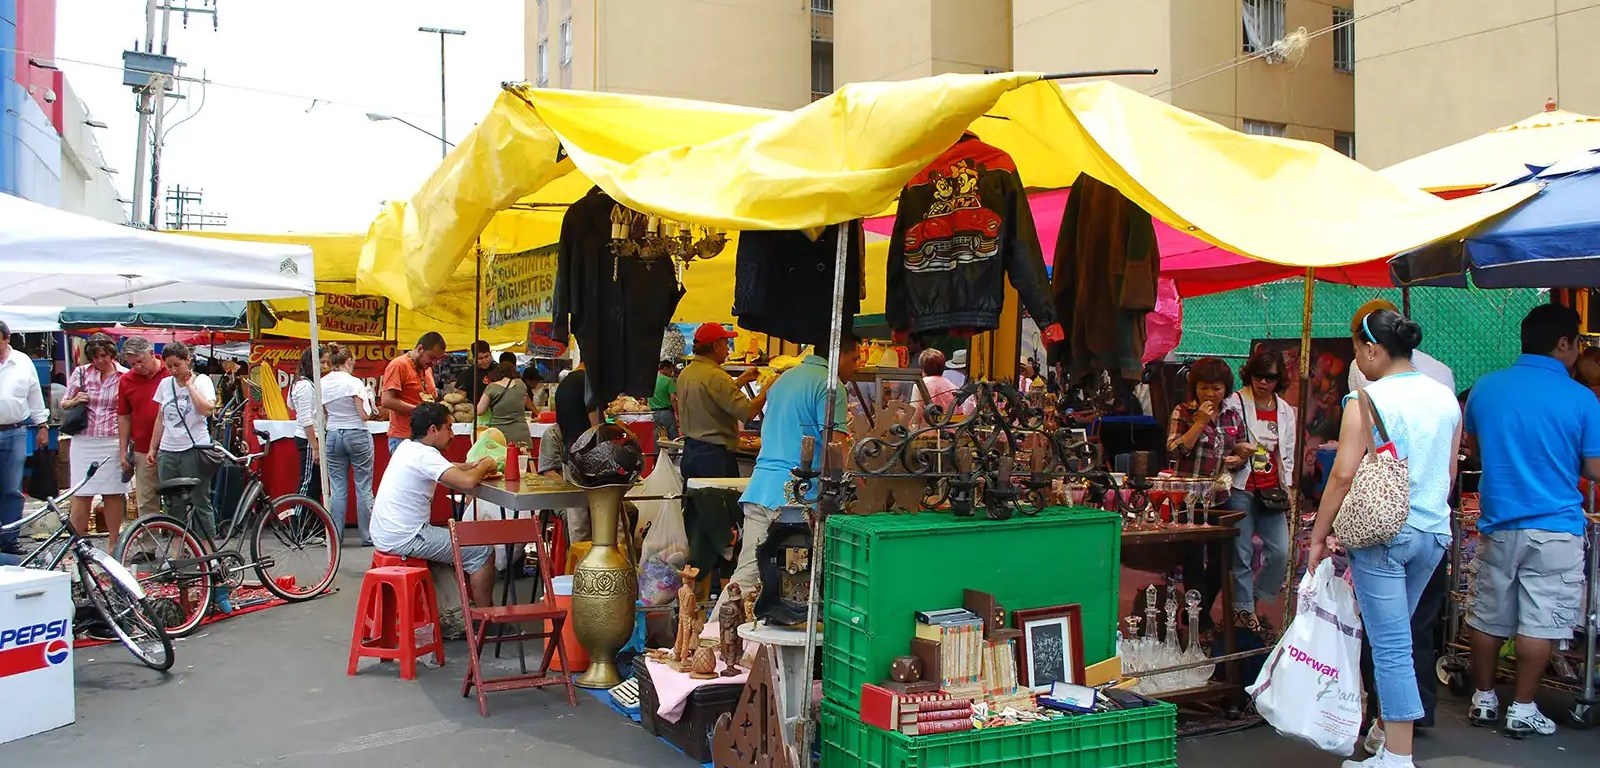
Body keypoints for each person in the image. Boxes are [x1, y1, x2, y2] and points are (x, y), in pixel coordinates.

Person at [1307, 307, 1458, 768]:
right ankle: (1387, 738)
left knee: (1391, 648)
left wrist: (1318, 536)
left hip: (1383, 533)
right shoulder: (1445, 398)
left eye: (1357, 349)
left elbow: (1342, 475)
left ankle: (1397, 756)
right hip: (1433, 533)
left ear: (1372, 349)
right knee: (1399, 640)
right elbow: (1449, 473)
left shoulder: (1365, 400)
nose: (1357, 359)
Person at [1462, 303, 1600, 739]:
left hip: (1498, 522)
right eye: (1578, 343)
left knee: (1487, 616)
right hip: (1556, 528)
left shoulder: (1485, 388)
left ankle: (1484, 699)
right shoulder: (1582, 399)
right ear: (1563, 343)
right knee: (1540, 623)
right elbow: (1594, 468)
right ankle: (1522, 708)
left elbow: (1475, 447)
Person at [721, 333, 861, 614]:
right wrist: (854, 482)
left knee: (746, 577)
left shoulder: (784, 379)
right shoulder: (831, 385)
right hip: (795, 498)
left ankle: (713, 635)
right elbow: (835, 448)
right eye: (855, 358)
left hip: (761, 488)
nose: (857, 366)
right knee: (797, 588)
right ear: (839, 355)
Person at [370, 402, 498, 607]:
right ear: (433, 430)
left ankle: (458, 611)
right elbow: (467, 482)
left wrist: (470, 466)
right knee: (482, 551)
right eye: (449, 428)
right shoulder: (425, 454)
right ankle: (486, 618)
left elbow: (446, 468)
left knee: (458, 540)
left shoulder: (408, 447)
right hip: (406, 537)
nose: (452, 435)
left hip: (387, 533)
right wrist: (485, 464)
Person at [1165, 357, 1245, 635]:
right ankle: (1198, 618)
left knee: (1223, 558)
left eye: (1216, 388)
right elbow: (1175, 450)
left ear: (1226, 389)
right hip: (1187, 497)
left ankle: (1197, 609)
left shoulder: (1232, 415)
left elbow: (1240, 447)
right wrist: (1199, 423)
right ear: (1194, 388)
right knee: (1193, 559)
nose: (1210, 394)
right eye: (1203, 388)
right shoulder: (1182, 411)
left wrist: (1240, 457)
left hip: (1220, 495)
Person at [1223, 349, 1295, 641]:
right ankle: (1245, 613)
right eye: (1258, 376)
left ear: (1279, 379)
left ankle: (1253, 597)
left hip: (1271, 489)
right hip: (1240, 486)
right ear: (1249, 374)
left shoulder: (1285, 410)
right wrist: (1238, 452)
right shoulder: (1235, 402)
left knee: (1281, 551)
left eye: (1270, 377)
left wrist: (1289, 486)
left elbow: (1286, 454)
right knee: (1240, 554)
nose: (1263, 382)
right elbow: (1224, 439)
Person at [61, 334, 129, 552]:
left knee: (113, 492)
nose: (100, 360)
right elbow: (64, 403)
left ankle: (113, 543)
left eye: (104, 356)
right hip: (84, 439)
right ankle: (76, 543)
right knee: (82, 492)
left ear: (112, 354)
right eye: (96, 357)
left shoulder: (124, 376)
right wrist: (75, 400)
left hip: (112, 438)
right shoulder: (81, 373)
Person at [677, 323, 768, 483]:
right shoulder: (716, 376)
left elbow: (713, 397)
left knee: (694, 498)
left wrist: (742, 380)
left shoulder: (686, 373)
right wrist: (770, 387)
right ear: (716, 346)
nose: (728, 350)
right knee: (718, 499)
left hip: (691, 453)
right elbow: (748, 412)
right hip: (714, 458)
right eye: (726, 344)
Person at [147, 342, 219, 537]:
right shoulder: (165, 384)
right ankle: (178, 547)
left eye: (177, 365)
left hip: (194, 447)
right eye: (169, 366)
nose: (173, 370)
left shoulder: (202, 381)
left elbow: (207, 410)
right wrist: (153, 448)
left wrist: (189, 387)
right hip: (168, 449)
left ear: (188, 360)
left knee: (200, 499)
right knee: (172, 503)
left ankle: (207, 547)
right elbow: (160, 418)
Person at [0, 321, 49, 555]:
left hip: (15, 430)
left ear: (6, 338)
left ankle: (9, 539)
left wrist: (42, 425)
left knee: (12, 488)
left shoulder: (22, 361)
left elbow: (34, 395)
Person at [321, 347, 375, 547]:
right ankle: (367, 535)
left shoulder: (322, 383)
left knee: (337, 488)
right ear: (349, 361)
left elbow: (322, 414)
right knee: (363, 486)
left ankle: (335, 535)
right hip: (356, 432)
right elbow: (364, 415)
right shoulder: (354, 383)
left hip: (333, 433)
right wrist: (370, 400)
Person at [116, 337, 169, 520]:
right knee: (146, 500)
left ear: (151, 353)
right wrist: (123, 451)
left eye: (141, 361)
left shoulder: (170, 372)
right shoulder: (126, 380)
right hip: (142, 448)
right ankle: (149, 538)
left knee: (176, 498)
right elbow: (124, 416)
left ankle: (179, 536)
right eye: (132, 364)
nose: (138, 367)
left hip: (173, 446)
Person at [380, 332, 446, 453]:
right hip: (404, 438)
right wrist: (420, 411)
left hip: (426, 438)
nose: (434, 363)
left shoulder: (427, 369)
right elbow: (387, 401)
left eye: (437, 360)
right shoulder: (398, 365)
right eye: (431, 357)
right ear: (420, 349)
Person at [536, 422, 589, 543]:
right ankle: (572, 552)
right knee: (572, 516)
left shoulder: (591, 432)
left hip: (589, 492)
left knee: (628, 510)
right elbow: (550, 474)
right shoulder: (553, 434)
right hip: (559, 493)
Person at [289, 348, 325, 499]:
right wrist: (315, 446)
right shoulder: (305, 386)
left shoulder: (301, 383)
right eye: (322, 362)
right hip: (309, 438)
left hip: (310, 437)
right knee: (308, 482)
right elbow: (306, 420)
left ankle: (309, 512)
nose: (324, 366)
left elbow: (291, 405)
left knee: (314, 483)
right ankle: (298, 512)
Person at [476, 357, 533, 446]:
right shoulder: (521, 385)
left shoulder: (491, 387)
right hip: (521, 432)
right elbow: (524, 401)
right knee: (522, 455)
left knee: (500, 455)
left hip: (498, 434)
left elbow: (479, 411)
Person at [908, 349, 960, 424]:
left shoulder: (921, 384)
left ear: (923, 368)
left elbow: (915, 415)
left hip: (927, 430)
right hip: (949, 429)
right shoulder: (952, 385)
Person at [553, 364, 596, 455]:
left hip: (568, 452)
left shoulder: (563, 383)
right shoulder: (588, 382)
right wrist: (618, 429)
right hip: (587, 453)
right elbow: (597, 427)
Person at [649, 360, 680, 440]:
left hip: (653, 414)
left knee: (657, 438)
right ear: (665, 368)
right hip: (666, 413)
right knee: (672, 439)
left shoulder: (650, 380)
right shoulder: (669, 380)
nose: (671, 373)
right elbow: (673, 398)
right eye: (670, 371)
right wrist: (678, 414)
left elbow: (646, 398)